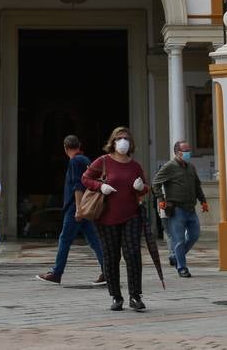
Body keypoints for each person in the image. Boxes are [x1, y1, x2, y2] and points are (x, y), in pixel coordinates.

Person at [83, 125, 151, 312]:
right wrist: (100, 187)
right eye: (120, 138)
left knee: (133, 255)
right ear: (112, 142)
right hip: (106, 217)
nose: (123, 141)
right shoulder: (103, 161)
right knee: (111, 256)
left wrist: (141, 187)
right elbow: (86, 178)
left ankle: (135, 296)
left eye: (127, 139)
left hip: (131, 215)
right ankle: (116, 296)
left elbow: (145, 187)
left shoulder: (135, 165)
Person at [36, 135, 106, 285]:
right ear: (79, 145)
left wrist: (79, 209)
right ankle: (107, 270)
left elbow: (78, 185)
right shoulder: (86, 160)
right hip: (85, 205)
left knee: (65, 240)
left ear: (65, 148)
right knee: (93, 240)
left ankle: (56, 273)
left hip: (76, 206)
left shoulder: (74, 161)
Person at [153, 139, 208, 277]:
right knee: (178, 239)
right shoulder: (169, 167)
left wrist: (203, 200)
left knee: (194, 235)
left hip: (191, 208)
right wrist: (161, 199)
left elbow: (197, 185)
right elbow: (155, 183)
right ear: (177, 153)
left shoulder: (190, 167)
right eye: (186, 151)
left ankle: (175, 256)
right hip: (177, 209)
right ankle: (181, 267)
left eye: (189, 150)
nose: (188, 153)